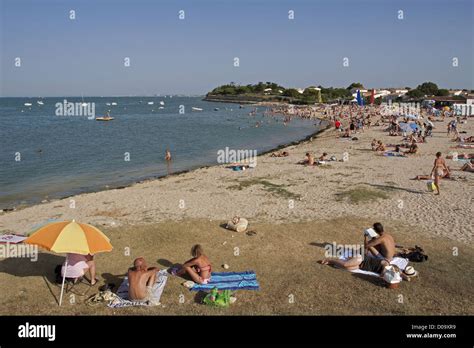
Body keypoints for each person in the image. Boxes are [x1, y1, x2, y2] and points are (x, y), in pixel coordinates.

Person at [319, 223, 395, 274]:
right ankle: (332, 261)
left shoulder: (381, 239)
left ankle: (331, 260)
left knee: (368, 247)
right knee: (348, 267)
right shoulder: (388, 236)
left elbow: (366, 245)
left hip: (382, 258)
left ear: (375, 230)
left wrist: (365, 237)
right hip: (387, 258)